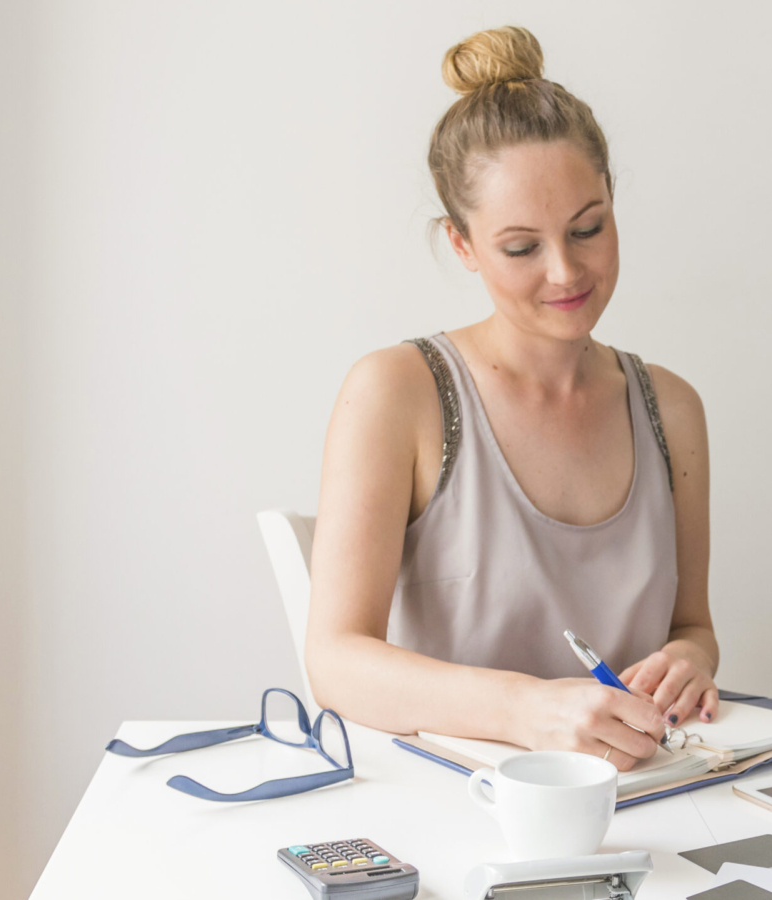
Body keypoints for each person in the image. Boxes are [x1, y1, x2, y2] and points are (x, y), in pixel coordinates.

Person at [303, 26, 719, 771]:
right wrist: (528, 710)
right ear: (462, 245)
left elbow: (694, 625)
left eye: (588, 228)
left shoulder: (673, 409)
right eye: (522, 247)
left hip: (644, 801)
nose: (566, 271)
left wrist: (688, 658)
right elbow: (334, 660)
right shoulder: (398, 394)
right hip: (456, 808)